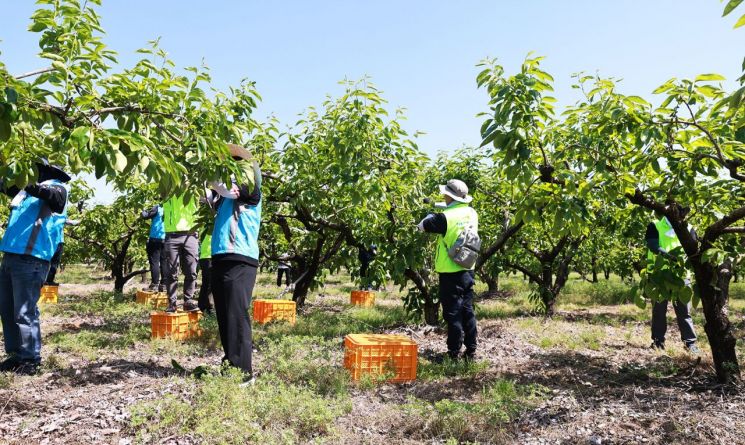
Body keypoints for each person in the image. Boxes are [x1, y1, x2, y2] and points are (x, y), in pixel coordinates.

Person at [0, 161, 70, 375]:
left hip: (32, 259)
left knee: (24, 311)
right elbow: (5, 185)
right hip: (11, 256)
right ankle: (15, 355)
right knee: (7, 309)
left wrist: (26, 182)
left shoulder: (58, 187)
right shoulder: (26, 194)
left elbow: (54, 199)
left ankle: (30, 359)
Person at [211, 143, 262, 384]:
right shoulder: (223, 199)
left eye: (235, 163)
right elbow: (207, 196)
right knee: (224, 314)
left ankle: (243, 374)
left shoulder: (251, 186)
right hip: (221, 255)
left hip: (240, 256)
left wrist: (207, 174)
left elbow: (225, 188)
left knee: (236, 314)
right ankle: (230, 364)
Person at [417, 179, 479, 361]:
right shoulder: (471, 213)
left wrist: (429, 215)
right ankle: (471, 351)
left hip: (450, 272)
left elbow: (422, 226)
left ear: (448, 195)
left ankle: (453, 353)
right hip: (468, 268)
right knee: (467, 309)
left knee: (452, 313)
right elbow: (453, 209)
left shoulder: (443, 218)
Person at [646, 211, 699, 353]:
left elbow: (693, 248)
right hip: (659, 276)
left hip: (681, 276)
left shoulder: (688, 227)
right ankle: (658, 342)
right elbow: (653, 245)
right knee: (659, 310)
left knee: (684, 311)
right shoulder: (655, 225)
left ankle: (690, 343)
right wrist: (671, 257)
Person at [162, 194, 200, 312]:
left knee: (191, 271)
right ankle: (172, 303)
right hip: (172, 234)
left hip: (191, 234)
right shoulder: (168, 185)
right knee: (171, 272)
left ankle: (188, 301)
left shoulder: (195, 185)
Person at [141, 204, 167, 292]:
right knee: (164, 262)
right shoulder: (171, 208)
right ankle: (164, 285)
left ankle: (155, 284)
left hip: (155, 238)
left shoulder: (157, 207)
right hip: (166, 239)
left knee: (154, 262)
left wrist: (143, 210)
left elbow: (146, 216)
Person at [198, 234, 213, 314]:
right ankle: (209, 307)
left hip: (206, 255)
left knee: (207, 283)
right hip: (209, 255)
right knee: (210, 283)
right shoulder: (210, 223)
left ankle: (202, 306)